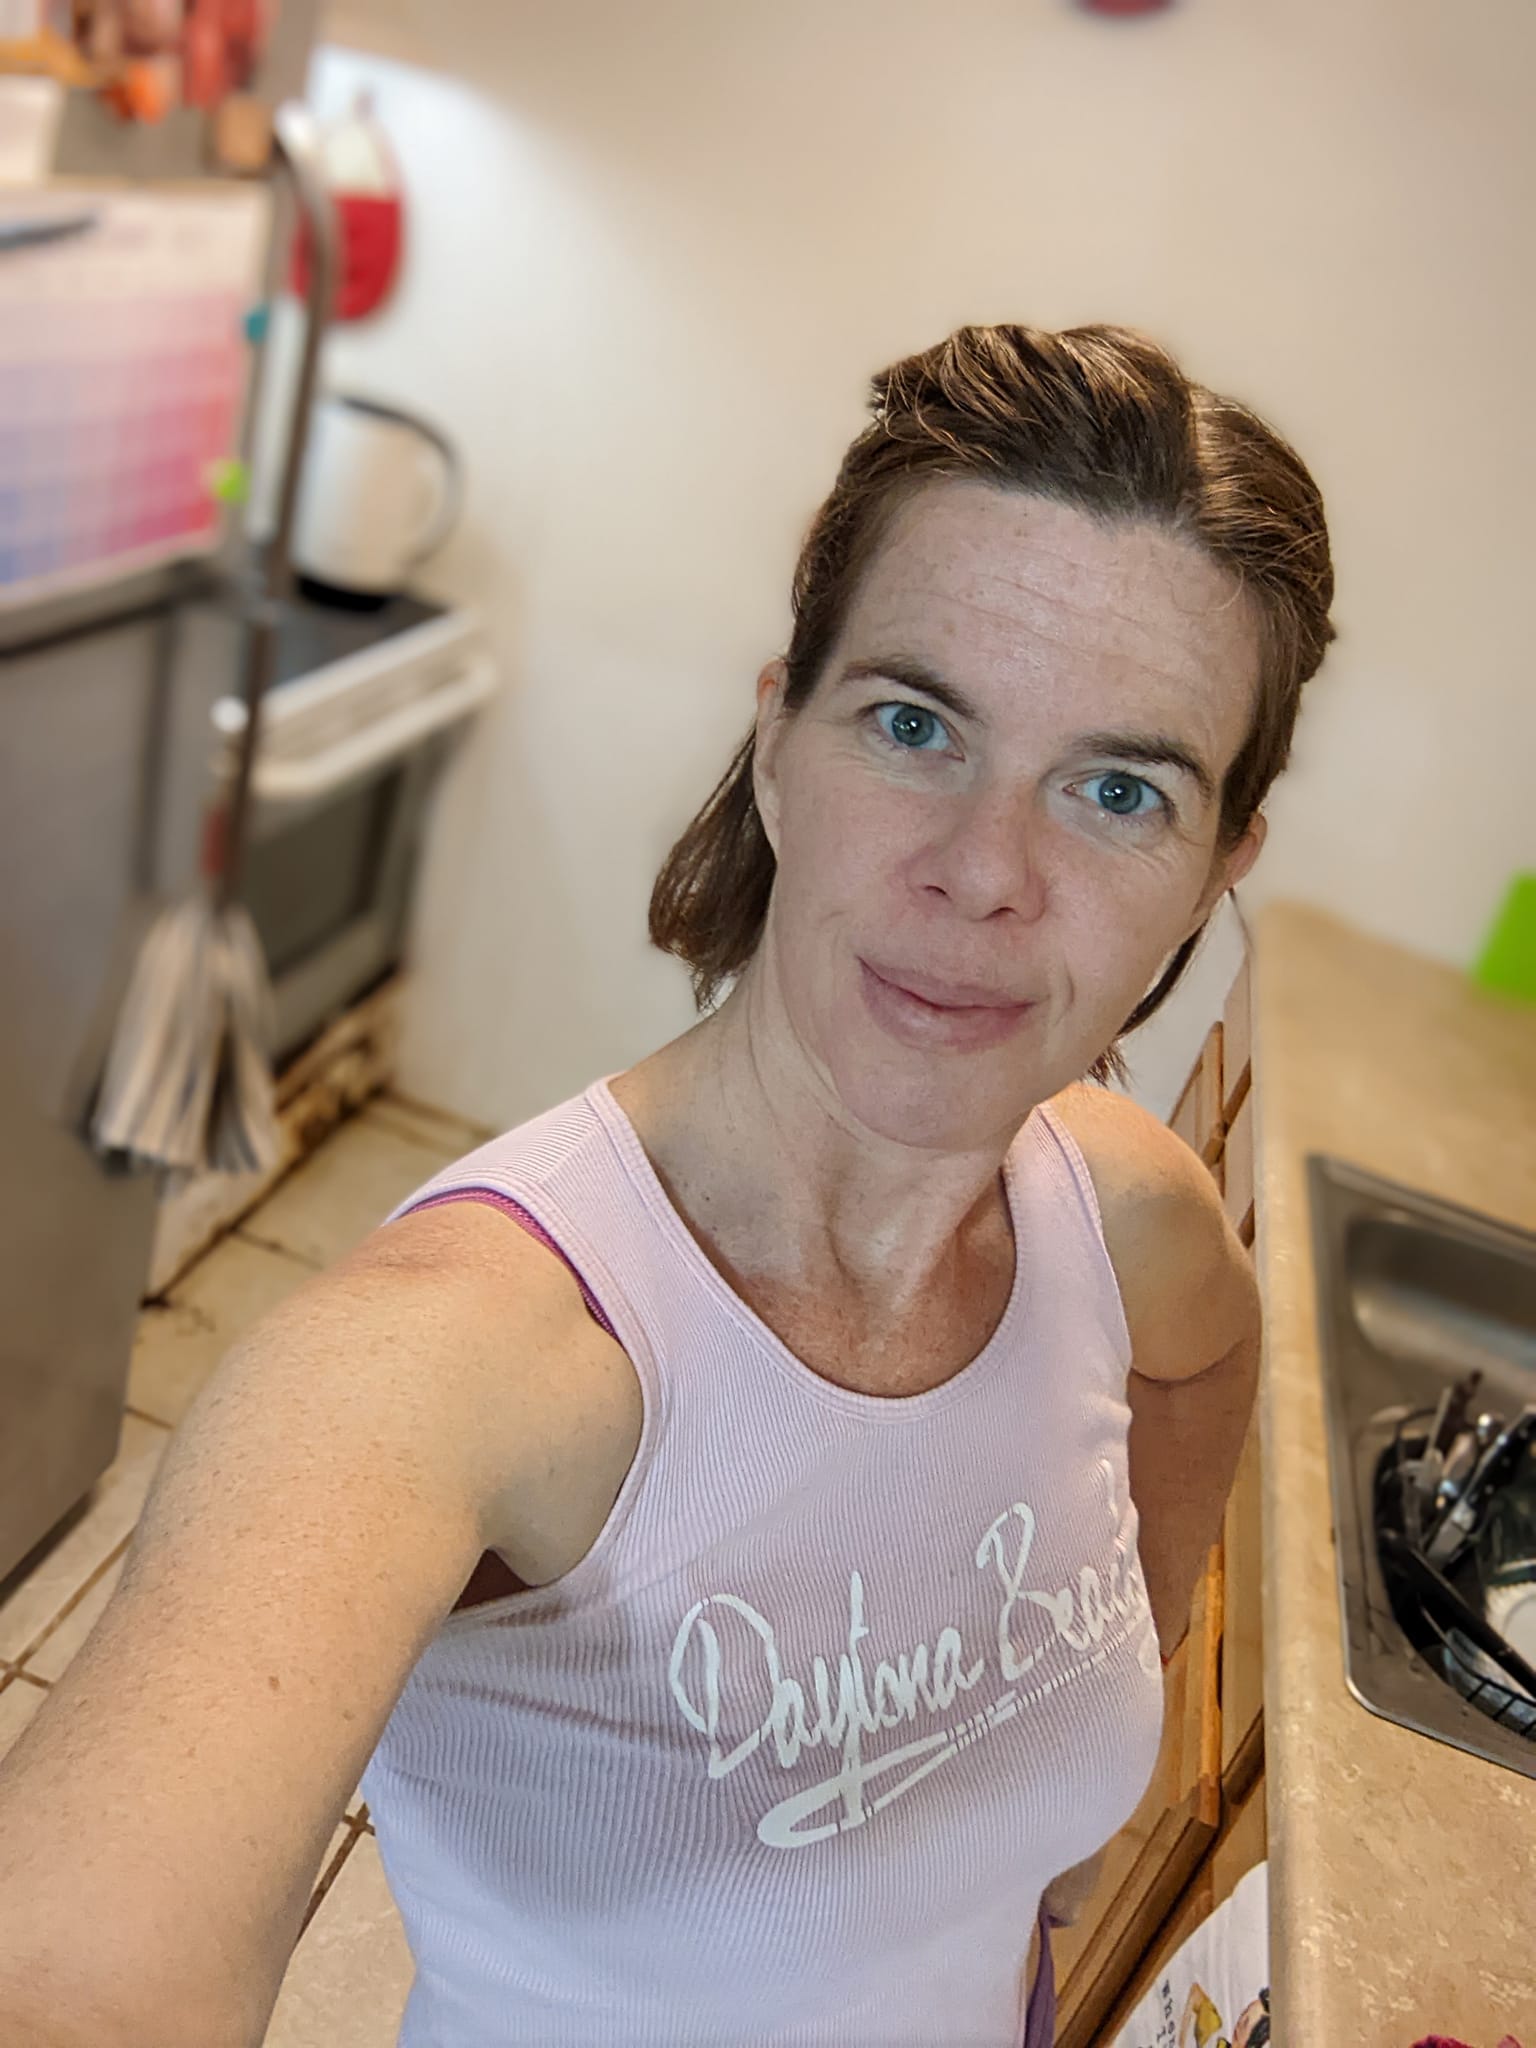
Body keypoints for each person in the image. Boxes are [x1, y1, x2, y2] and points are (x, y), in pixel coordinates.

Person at [0, 322, 1334, 2048]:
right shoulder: (450, 1364)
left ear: (1220, 865)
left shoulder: (1120, 1205)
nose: (984, 873)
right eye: (916, 722)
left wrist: (1075, 1767)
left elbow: (1210, 1361)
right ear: (779, 740)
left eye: (1116, 788)